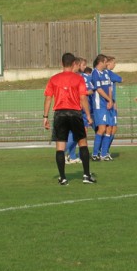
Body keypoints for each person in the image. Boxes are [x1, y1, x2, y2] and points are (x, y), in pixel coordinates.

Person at [43, 52, 96, 185]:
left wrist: (45, 117)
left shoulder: (54, 79)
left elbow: (48, 98)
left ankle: (63, 177)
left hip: (60, 114)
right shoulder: (78, 79)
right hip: (75, 113)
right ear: (73, 64)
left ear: (61, 63)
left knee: (60, 147)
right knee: (82, 143)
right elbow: (83, 98)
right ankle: (86, 175)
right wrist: (88, 116)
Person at [65, 57, 92, 163]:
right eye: (83, 65)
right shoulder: (77, 77)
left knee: (75, 133)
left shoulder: (80, 76)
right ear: (77, 65)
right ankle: (63, 152)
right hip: (77, 109)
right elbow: (85, 92)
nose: (84, 67)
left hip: (77, 108)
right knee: (79, 133)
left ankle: (71, 156)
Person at [89, 54, 114, 161]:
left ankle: (104, 154)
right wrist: (108, 100)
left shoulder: (106, 73)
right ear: (101, 62)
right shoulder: (95, 73)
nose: (106, 64)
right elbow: (98, 89)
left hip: (107, 104)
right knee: (102, 128)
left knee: (109, 128)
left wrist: (110, 100)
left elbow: (109, 88)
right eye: (105, 62)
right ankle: (95, 154)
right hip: (99, 106)